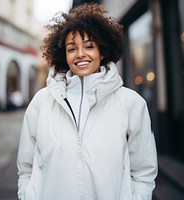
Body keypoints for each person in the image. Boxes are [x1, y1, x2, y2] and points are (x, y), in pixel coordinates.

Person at [17, 3, 157, 200]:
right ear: (64, 56)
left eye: (89, 46)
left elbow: (143, 172)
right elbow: (26, 168)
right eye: (71, 48)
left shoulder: (131, 103)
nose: (80, 54)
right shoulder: (42, 101)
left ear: (102, 51)